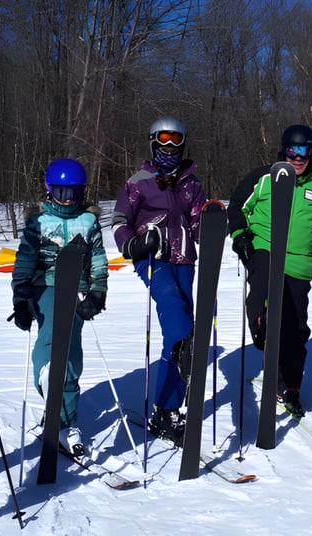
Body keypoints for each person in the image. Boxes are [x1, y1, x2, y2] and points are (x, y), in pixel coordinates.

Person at [228, 124, 312, 417]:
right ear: (283, 149)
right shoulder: (264, 178)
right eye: (293, 150)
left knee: (295, 328)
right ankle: (263, 333)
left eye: (305, 151)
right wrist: (240, 235)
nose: (298, 157)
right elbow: (237, 207)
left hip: (299, 263)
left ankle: (288, 387)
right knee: (263, 307)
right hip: (264, 249)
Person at [112, 117, 206, 444]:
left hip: (185, 261)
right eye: (164, 141)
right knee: (177, 319)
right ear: (153, 142)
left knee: (184, 338)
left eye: (176, 141)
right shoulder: (139, 181)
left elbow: (197, 224)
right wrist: (133, 244)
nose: (169, 147)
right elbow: (120, 220)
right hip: (153, 259)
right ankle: (167, 403)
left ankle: (167, 410)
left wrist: (211, 227)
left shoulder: (192, 184)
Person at [11, 158, 108, 457]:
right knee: (53, 339)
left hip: (76, 289)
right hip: (45, 286)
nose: (67, 200)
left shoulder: (89, 221)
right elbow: (25, 260)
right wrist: (21, 296)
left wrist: (97, 292)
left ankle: (63, 414)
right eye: (61, 192)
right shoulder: (38, 222)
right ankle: (50, 380)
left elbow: (98, 259)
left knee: (73, 354)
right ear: (49, 189)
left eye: (74, 194)